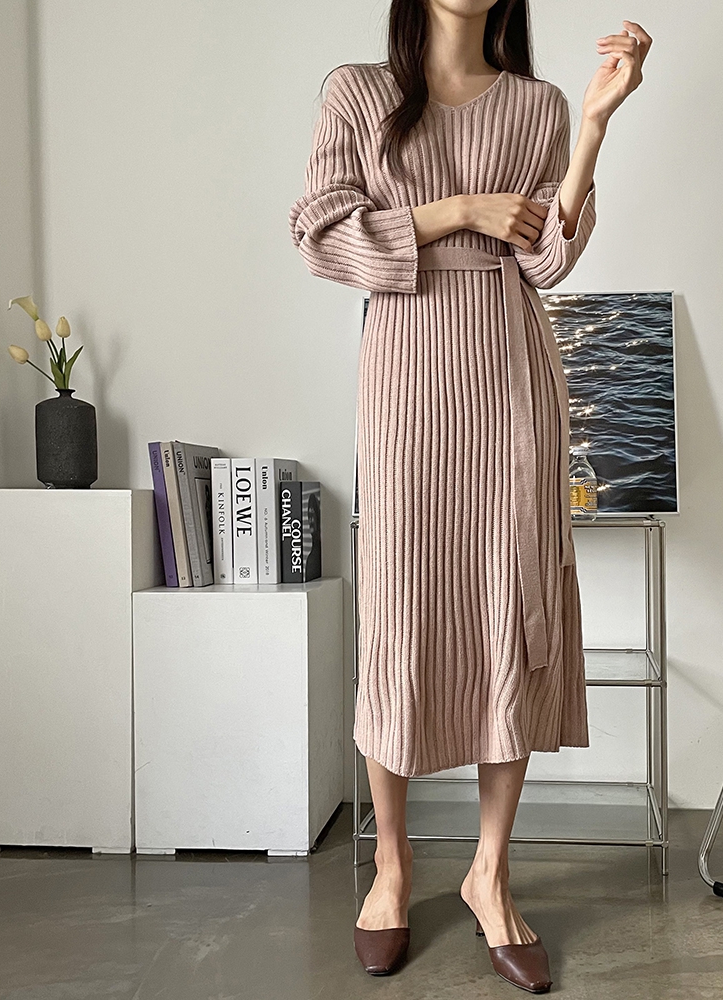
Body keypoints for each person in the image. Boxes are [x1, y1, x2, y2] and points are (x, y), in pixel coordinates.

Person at [288, 2, 650, 991]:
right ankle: (392, 861)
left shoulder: (536, 104)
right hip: (406, 370)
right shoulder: (358, 93)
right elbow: (320, 237)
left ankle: (491, 869)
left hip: (508, 372)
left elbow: (547, 259)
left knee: (508, 599)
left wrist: (593, 125)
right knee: (401, 606)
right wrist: (456, 211)